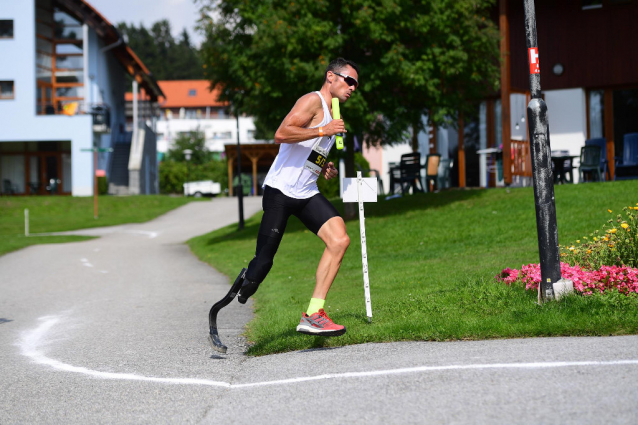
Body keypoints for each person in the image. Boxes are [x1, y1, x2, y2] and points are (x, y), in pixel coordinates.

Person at [235, 57, 359, 336]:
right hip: (280, 191)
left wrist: (323, 164)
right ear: (331, 77)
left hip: (305, 193)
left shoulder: (334, 112)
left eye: (356, 85)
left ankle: (314, 313)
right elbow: (281, 134)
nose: (352, 88)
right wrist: (322, 130)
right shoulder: (312, 101)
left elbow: (309, 150)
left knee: (339, 240)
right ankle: (243, 285)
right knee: (263, 263)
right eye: (349, 80)